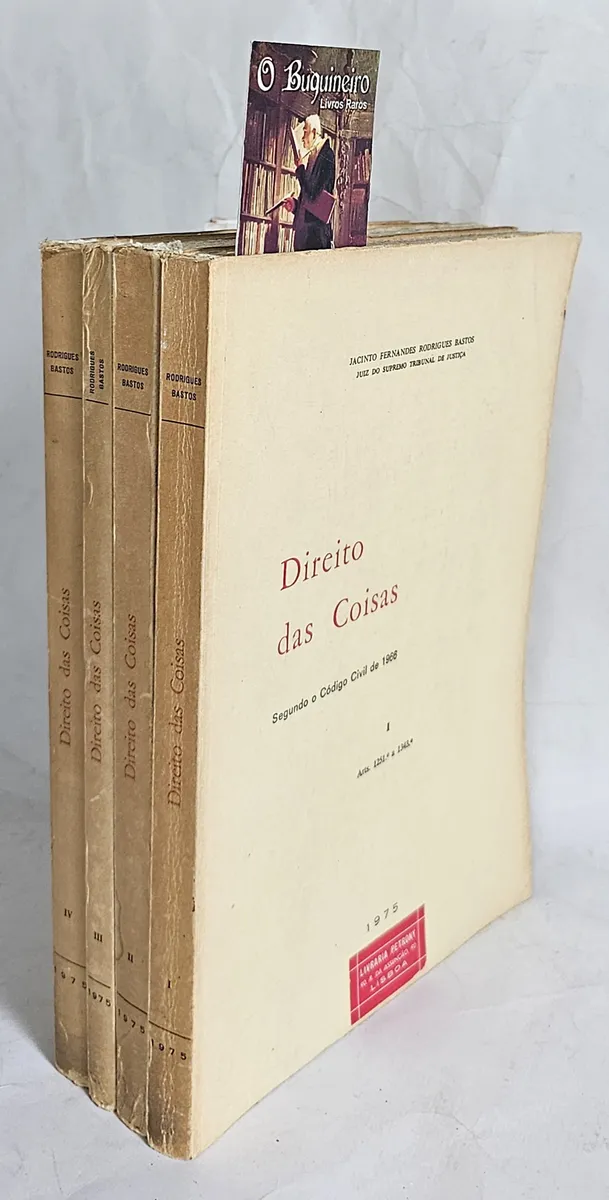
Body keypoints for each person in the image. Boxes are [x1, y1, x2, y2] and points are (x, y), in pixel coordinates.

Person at [283, 114, 336, 251]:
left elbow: (314, 194)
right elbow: (308, 197)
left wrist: (300, 169)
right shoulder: (313, 155)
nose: (302, 138)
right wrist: (295, 206)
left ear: (314, 132)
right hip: (305, 232)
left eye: (305, 132)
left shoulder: (326, 155)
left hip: (315, 236)